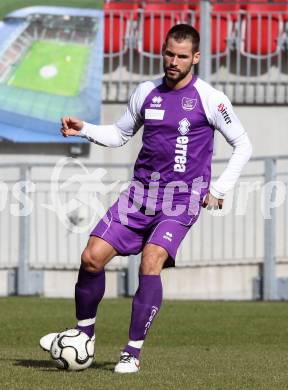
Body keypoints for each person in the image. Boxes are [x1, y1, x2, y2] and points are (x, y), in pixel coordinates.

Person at [40, 24, 252, 373]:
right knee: (91, 258)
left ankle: (131, 352)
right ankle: (84, 337)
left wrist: (218, 190)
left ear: (195, 58)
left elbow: (243, 144)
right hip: (139, 195)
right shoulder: (146, 92)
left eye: (182, 56)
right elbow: (120, 134)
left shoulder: (211, 99)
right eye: (169, 53)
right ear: (162, 51)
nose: (174, 61)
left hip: (180, 200)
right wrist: (85, 129)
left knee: (151, 261)